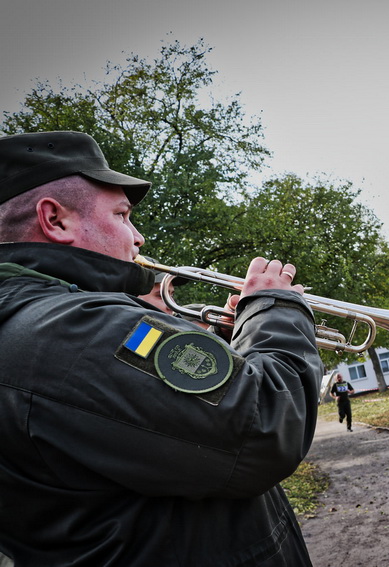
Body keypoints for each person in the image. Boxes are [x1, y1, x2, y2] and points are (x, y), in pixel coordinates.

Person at [0, 131, 323, 566]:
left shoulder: (38, 323)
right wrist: (275, 308)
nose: (138, 238)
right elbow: (265, 422)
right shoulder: (71, 329)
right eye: (122, 214)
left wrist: (229, 343)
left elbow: (158, 437)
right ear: (55, 219)